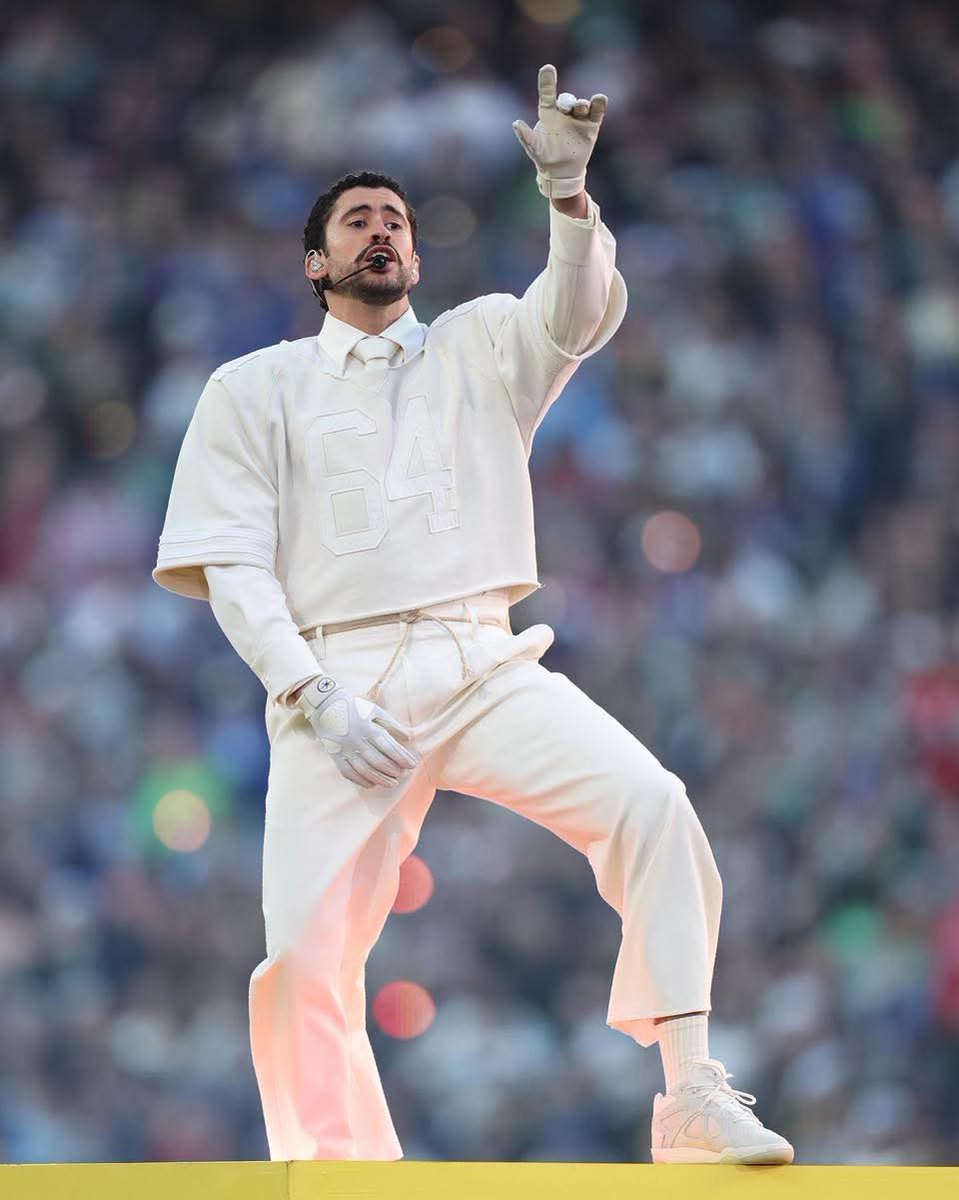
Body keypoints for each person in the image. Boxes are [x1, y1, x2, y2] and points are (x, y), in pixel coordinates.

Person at [153, 65, 793, 1166]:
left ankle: (688, 1089)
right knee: (301, 958)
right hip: (336, 684)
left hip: (480, 658)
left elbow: (576, 313)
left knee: (651, 802)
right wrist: (311, 691)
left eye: (395, 221)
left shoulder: (483, 340)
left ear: (416, 253)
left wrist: (568, 200)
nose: (381, 231)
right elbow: (235, 567)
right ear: (314, 263)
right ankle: (340, 1173)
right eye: (356, 220)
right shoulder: (251, 387)